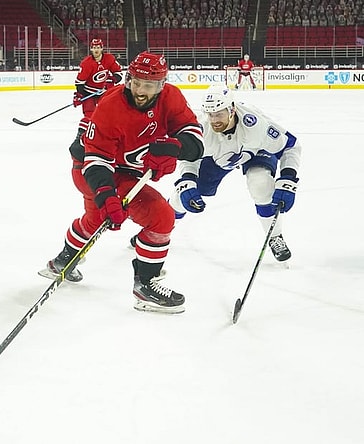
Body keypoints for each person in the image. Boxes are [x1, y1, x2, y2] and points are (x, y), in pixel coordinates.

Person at [40, 51, 204, 314]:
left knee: (94, 219)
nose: (139, 89)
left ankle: (62, 261)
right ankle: (145, 284)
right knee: (160, 216)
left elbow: (194, 138)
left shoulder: (171, 98)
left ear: (161, 85)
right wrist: (107, 195)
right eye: (135, 81)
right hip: (91, 168)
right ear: (128, 78)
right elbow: (97, 162)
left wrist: (174, 147)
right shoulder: (111, 105)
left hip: (122, 170)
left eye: (148, 85)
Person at [169, 84, 302, 262]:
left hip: (255, 150)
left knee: (260, 184)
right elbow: (189, 157)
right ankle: (158, 230)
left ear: (232, 109)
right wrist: (187, 180)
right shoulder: (201, 126)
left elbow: (291, 146)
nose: (214, 119)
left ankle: (275, 236)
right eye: (210, 114)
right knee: (186, 195)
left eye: (219, 114)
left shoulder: (255, 125)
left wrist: (288, 178)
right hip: (219, 157)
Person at [68, 38, 122, 171]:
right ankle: (80, 140)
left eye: (98, 47)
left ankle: (109, 138)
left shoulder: (109, 59)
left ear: (102, 48)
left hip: (104, 92)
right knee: (89, 116)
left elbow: (119, 74)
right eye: (94, 47)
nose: (96, 50)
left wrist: (111, 80)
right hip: (89, 93)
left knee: (110, 114)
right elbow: (80, 83)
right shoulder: (86, 63)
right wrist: (80, 95)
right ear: (91, 49)